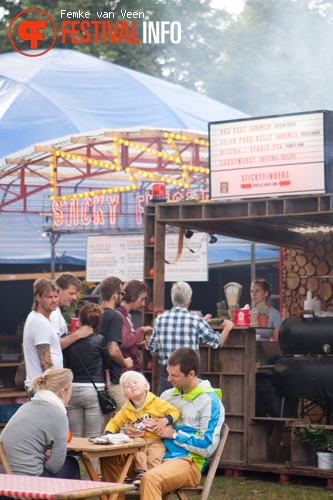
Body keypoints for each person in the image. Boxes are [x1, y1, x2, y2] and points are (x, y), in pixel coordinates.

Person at [100, 347, 224, 500]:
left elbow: (208, 446)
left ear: (191, 374)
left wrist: (173, 434)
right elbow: (143, 418)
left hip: (186, 461)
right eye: (169, 373)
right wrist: (131, 431)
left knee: (150, 478)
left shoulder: (210, 401)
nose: (168, 379)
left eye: (174, 375)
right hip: (149, 455)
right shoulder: (167, 396)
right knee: (108, 457)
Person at [149, 281, 233, 395]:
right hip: (190, 376)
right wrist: (227, 327)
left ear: (172, 299)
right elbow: (217, 342)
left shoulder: (159, 320)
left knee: (166, 411)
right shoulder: (196, 320)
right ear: (190, 299)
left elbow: (152, 349)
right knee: (193, 410)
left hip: (168, 376)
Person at [102, 370, 180, 488]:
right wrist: (108, 434)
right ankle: (141, 473)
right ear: (125, 395)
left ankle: (152, 482)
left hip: (156, 441)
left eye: (135, 382)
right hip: (139, 440)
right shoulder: (126, 409)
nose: (132, 386)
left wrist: (164, 421)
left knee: (155, 456)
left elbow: (174, 411)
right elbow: (115, 422)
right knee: (137, 449)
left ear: (145, 386)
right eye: (127, 386)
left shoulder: (156, 402)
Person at [0, 367, 80, 479]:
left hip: (5, 480)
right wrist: (46, 456)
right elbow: (55, 466)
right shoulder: (58, 415)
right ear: (62, 392)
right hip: (28, 482)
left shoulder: (25, 407)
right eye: (71, 391)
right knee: (72, 464)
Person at [63, 301, 113, 441]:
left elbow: (65, 365)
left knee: (75, 438)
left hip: (73, 389)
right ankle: (92, 463)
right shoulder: (99, 340)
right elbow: (107, 362)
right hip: (94, 389)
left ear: (80, 318)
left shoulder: (70, 341)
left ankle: (75, 463)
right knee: (94, 437)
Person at [23, 278, 63, 393]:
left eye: (56, 296)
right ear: (38, 297)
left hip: (41, 387)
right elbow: (45, 362)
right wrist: (56, 387)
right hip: (44, 388)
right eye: (49, 297)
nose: (54, 300)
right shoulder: (40, 322)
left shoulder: (37, 318)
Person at [100, 276, 133, 411]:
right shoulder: (114, 317)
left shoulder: (94, 314)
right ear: (115, 295)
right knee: (128, 416)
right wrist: (124, 362)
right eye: (122, 294)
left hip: (96, 378)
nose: (122, 297)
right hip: (111, 379)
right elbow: (113, 350)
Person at [116, 280, 153, 373]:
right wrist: (141, 330)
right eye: (142, 299)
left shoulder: (127, 316)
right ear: (133, 296)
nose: (143, 303)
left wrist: (140, 346)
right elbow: (125, 342)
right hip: (126, 371)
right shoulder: (119, 316)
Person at [50, 272, 93, 349]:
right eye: (71, 293)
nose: (74, 298)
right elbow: (53, 345)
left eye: (75, 294)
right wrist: (78, 334)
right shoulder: (53, 313)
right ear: (58, 290)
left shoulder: (57, 311)